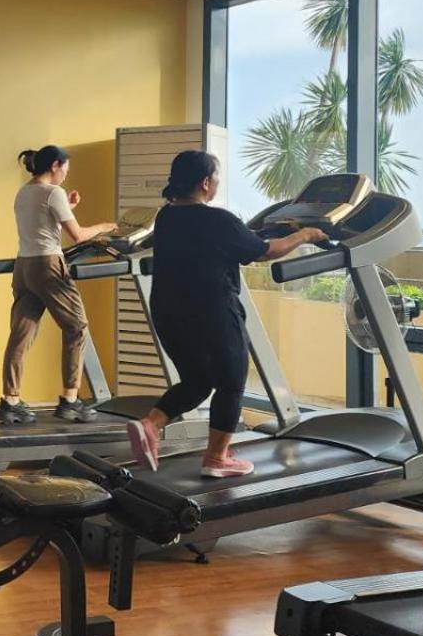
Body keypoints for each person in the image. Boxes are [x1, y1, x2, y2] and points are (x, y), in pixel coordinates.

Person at [125, 150, 326, 479]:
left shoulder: (167, 217)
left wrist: (262, 234)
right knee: (232, 381)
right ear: (206, 182)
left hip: (168, 310)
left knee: (198, 381)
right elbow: (266, 251)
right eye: (216, 177)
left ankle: (150, 424)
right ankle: (217, 458)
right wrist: (305, 234)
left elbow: (231, 241)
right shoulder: (218, 219)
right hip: (211, 309)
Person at [0, 146, 116, 426]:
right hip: (49, 266)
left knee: (21, 334)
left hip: (24, 266)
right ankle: (70, 400)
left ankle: (10, 402)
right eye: (65, 169)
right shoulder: (53, 193)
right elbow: (78, 235)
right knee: (77, 326)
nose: (65, 175)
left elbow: (41, 219)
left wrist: (68, 207)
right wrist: (106, 226)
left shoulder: (25, 192)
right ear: (55, 165)